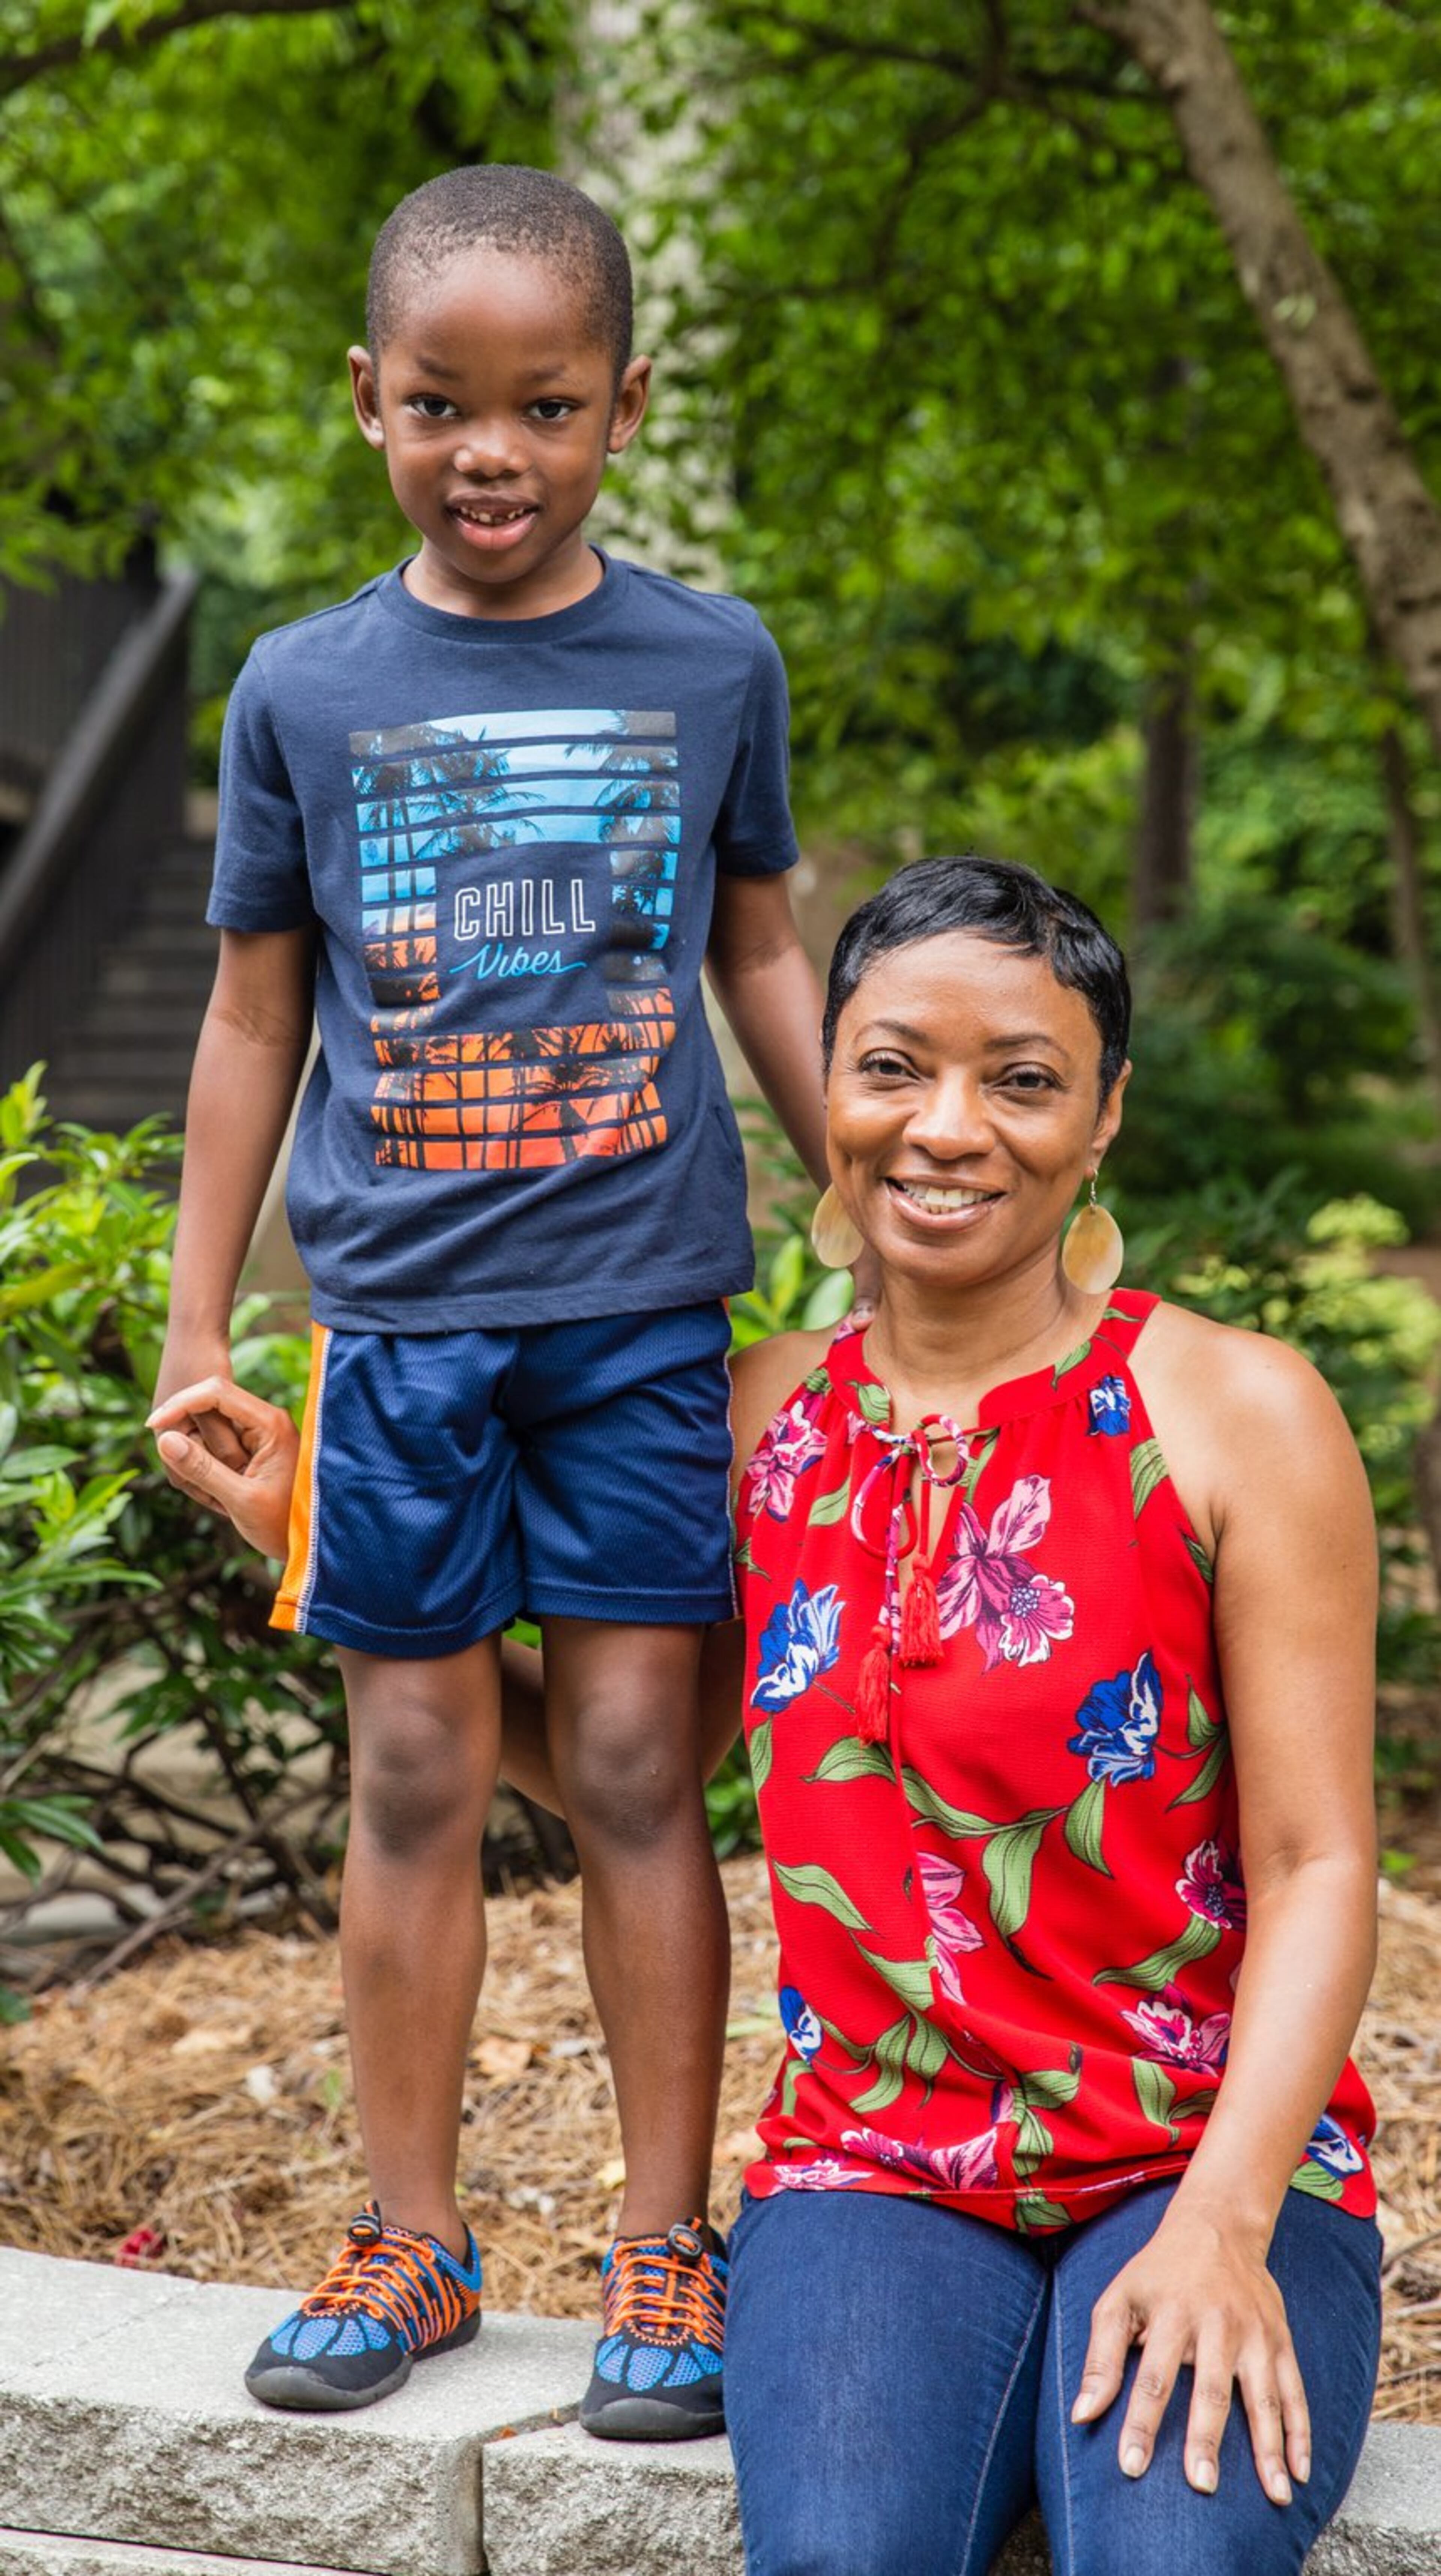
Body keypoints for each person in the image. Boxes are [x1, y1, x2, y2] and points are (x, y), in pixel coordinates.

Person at [156, 854, 1382, 2575]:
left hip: (1206, 2152)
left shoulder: (1240, 1412)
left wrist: (1230, 2221)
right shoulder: (754, 1419)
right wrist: (311, 1529)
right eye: (892, 1068)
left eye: (1022, 1079)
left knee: (1169, 2553)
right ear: (829, 1086)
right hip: (871, 2173)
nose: (948, 1126)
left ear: (1104, 1118)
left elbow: (1323, 1860)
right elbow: (626, 1773)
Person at [152, 161, 851, 2441]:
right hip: (401, 1332)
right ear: (366, 400)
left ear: (623, 407)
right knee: (423, 1764)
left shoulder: (708, 659)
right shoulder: (304, 687)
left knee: (646, 1766)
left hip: (645, 1310)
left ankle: (671, 2249)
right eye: (442, 402)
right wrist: (200, 1326)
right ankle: (411, 2236)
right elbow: (257, 1014)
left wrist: (869, 1184)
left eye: (544, 406)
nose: (492, 449)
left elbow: (756, 941)